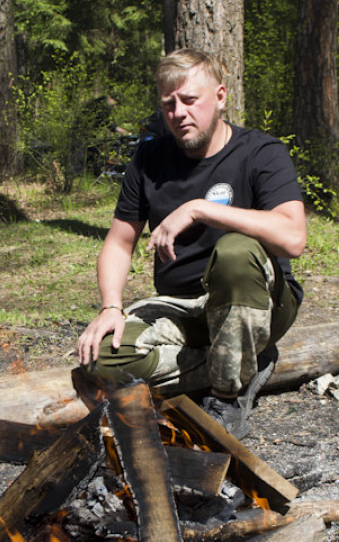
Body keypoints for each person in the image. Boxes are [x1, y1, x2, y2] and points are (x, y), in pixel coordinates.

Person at [77, 48, 306, 438]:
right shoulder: (149, 158)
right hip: (182, 311)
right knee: (101, 363)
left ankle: (227, 394)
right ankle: (242, 361)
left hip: (259, 304)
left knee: (236, 250)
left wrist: (200, 209)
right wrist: (110, 307)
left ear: (219, 97)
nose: (179, 113)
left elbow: (293, 238)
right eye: (169, 104)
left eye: (189, 100)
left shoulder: (261, 152)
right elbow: (119, 242)